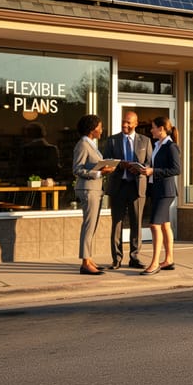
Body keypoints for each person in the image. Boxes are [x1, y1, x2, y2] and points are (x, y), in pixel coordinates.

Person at [103, 111, 152, 269]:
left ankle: (134, 257)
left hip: (136, 187)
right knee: (117, 223)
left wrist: (139, 169)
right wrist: (120, 165)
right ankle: (116, 259)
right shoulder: (112, 140)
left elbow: (150, 163)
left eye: (129, 123)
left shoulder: (145, 141)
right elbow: (106, 162)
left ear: (136, 123)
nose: (125, 125)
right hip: (118, 186)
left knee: (136, 222)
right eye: (124, 121)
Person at [72, 114, 114, 275]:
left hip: (95, 189)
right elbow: (77, 169)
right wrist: (99, 173)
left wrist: (103, 170)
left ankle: (88, 259)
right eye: (100, 127)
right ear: (92, 129)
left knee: (92, 225)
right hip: (88, 189)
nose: (102, 130)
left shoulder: (91, 144)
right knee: (89, 225)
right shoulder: (83, 144)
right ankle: (85, 263)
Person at [141, 116, 180, 275]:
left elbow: (176, 170)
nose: (151, 130)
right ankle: (169, 259)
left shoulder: (171, 147)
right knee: (164, 225)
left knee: (154, 225)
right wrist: (147, 169)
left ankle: (155, 263)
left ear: (161, 129)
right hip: (157, 190)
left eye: (153, 127)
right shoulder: (157, 145)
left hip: (166, 191)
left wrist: (153, 171)